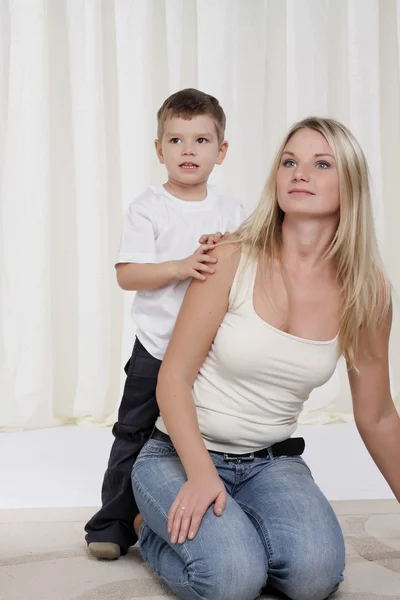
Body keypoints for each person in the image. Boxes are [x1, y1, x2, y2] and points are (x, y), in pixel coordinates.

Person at [131, 116, 400, 600]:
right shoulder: (230, 258)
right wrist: (201, 475)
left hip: (270, 463)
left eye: (321, 164)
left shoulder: (369, 291)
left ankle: (231, 526)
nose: (299, 173)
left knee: (315, 579)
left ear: (351, 185)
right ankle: (149, 528)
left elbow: (378, 415)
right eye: (289, 161)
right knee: (234, 580)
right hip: (179, 453)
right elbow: (172, 378)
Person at [85, 88, 246, 560]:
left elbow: (252, 261)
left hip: (211, 352)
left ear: (221, 151)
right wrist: (181, 265)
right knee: (133, 432)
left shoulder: (232, 210)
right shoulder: (148, 207)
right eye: (176, 141)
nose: (189, 151)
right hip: (156, 347)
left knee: (201, 433)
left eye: (201, 140)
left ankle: (208, 506)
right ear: (159, 150)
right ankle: (112, 523)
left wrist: (229, 246)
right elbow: (127, 274)